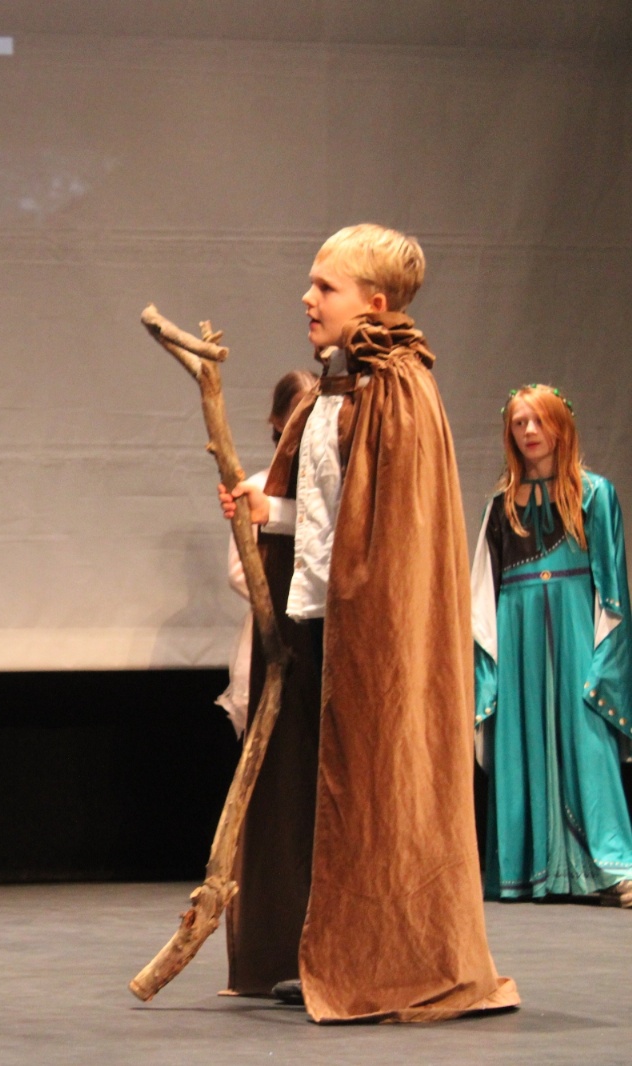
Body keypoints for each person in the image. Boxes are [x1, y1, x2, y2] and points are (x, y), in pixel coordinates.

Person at [216, 224, 519, 1021]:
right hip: (318, 622)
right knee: (314, 797)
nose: (307, 298)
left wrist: (363, 614)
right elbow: (326, 516)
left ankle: (382, 960)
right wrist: (268, 511)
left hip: (373, 635)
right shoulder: (331, 389)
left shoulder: (398, 392)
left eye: (326, 287)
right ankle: (317, 951)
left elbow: (393, 534)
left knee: (372, 797)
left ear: (375, 304)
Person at [473, 384, 632, 907]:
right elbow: (482, 593)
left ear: (561, 427)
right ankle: (532, 868)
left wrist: (606, 659)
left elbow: (612, 591)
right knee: (523, 737)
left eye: (539, 421)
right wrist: (487, 670)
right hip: (518, 634)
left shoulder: (594, 496)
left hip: (575, 631)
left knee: (588, 742)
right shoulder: (500, 508)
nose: (529, 432)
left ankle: (612, 868)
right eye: (519, 423)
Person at [215, 369, 317, 737]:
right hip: (274, 634)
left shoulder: (330, 491)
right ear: (277, 420)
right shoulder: (259, 487)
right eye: (298, 414)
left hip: (320, 638)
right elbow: (239, 571)